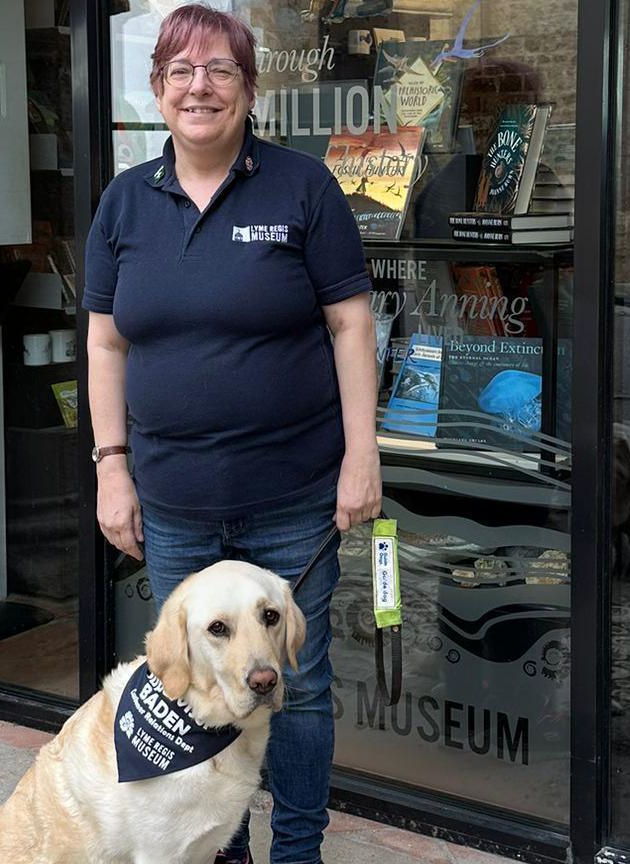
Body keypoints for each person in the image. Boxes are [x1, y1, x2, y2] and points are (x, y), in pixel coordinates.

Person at [82, 5, 382, 863]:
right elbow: (106, 341)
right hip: (174, 504)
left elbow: (350, 326)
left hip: (292, 501)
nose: (198, 88)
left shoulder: (302, 189)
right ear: (157, 91)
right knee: (192, 688)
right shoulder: (124, 204)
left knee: (295, 682)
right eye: (180, 71)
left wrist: (362, 456)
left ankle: (296, 852)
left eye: (218, 70)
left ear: (248, 89)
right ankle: (223, 849)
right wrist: (112, 467)